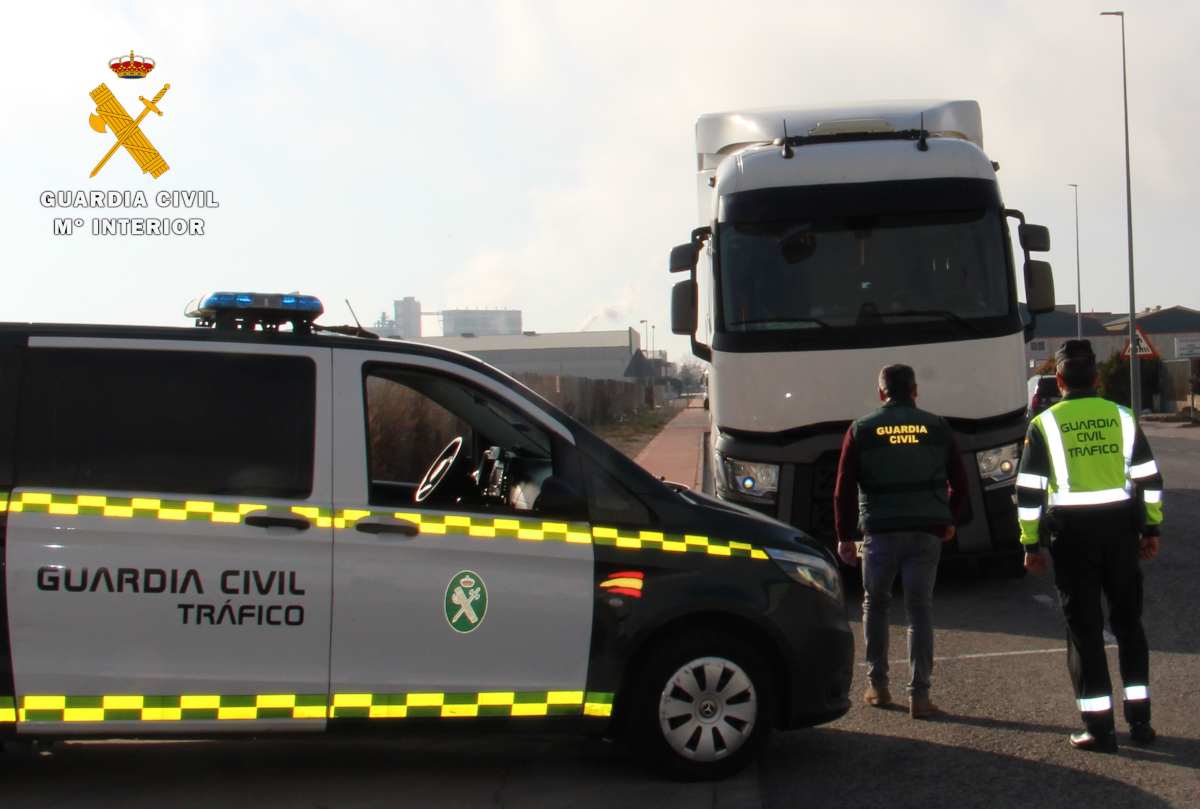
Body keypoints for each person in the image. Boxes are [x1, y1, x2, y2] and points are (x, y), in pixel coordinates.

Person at [1016, 339, 1164, 753]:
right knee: (1129, 625)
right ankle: (1141, 722)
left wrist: (1030, 543)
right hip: (1120, 533)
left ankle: (1099, 730)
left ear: (1059, 379)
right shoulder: (1122, 416)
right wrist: (1151, 530)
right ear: (1097, 378)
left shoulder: (1044, 424)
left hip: (1073, 538)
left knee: (1084, 630)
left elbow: (1029, 491)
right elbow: (1148, 479)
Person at [835, 364, 968, 718]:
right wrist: (949, 519)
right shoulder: (937, 427)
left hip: (879, 531)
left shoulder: (861, 429)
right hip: (927, 531)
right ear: (915, 390)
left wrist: (845, 536)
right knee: (919, 609)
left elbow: (844, 488)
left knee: (875, 605)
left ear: (881, 393)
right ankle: (919, 696)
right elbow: (961, 481)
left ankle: (878, 687)